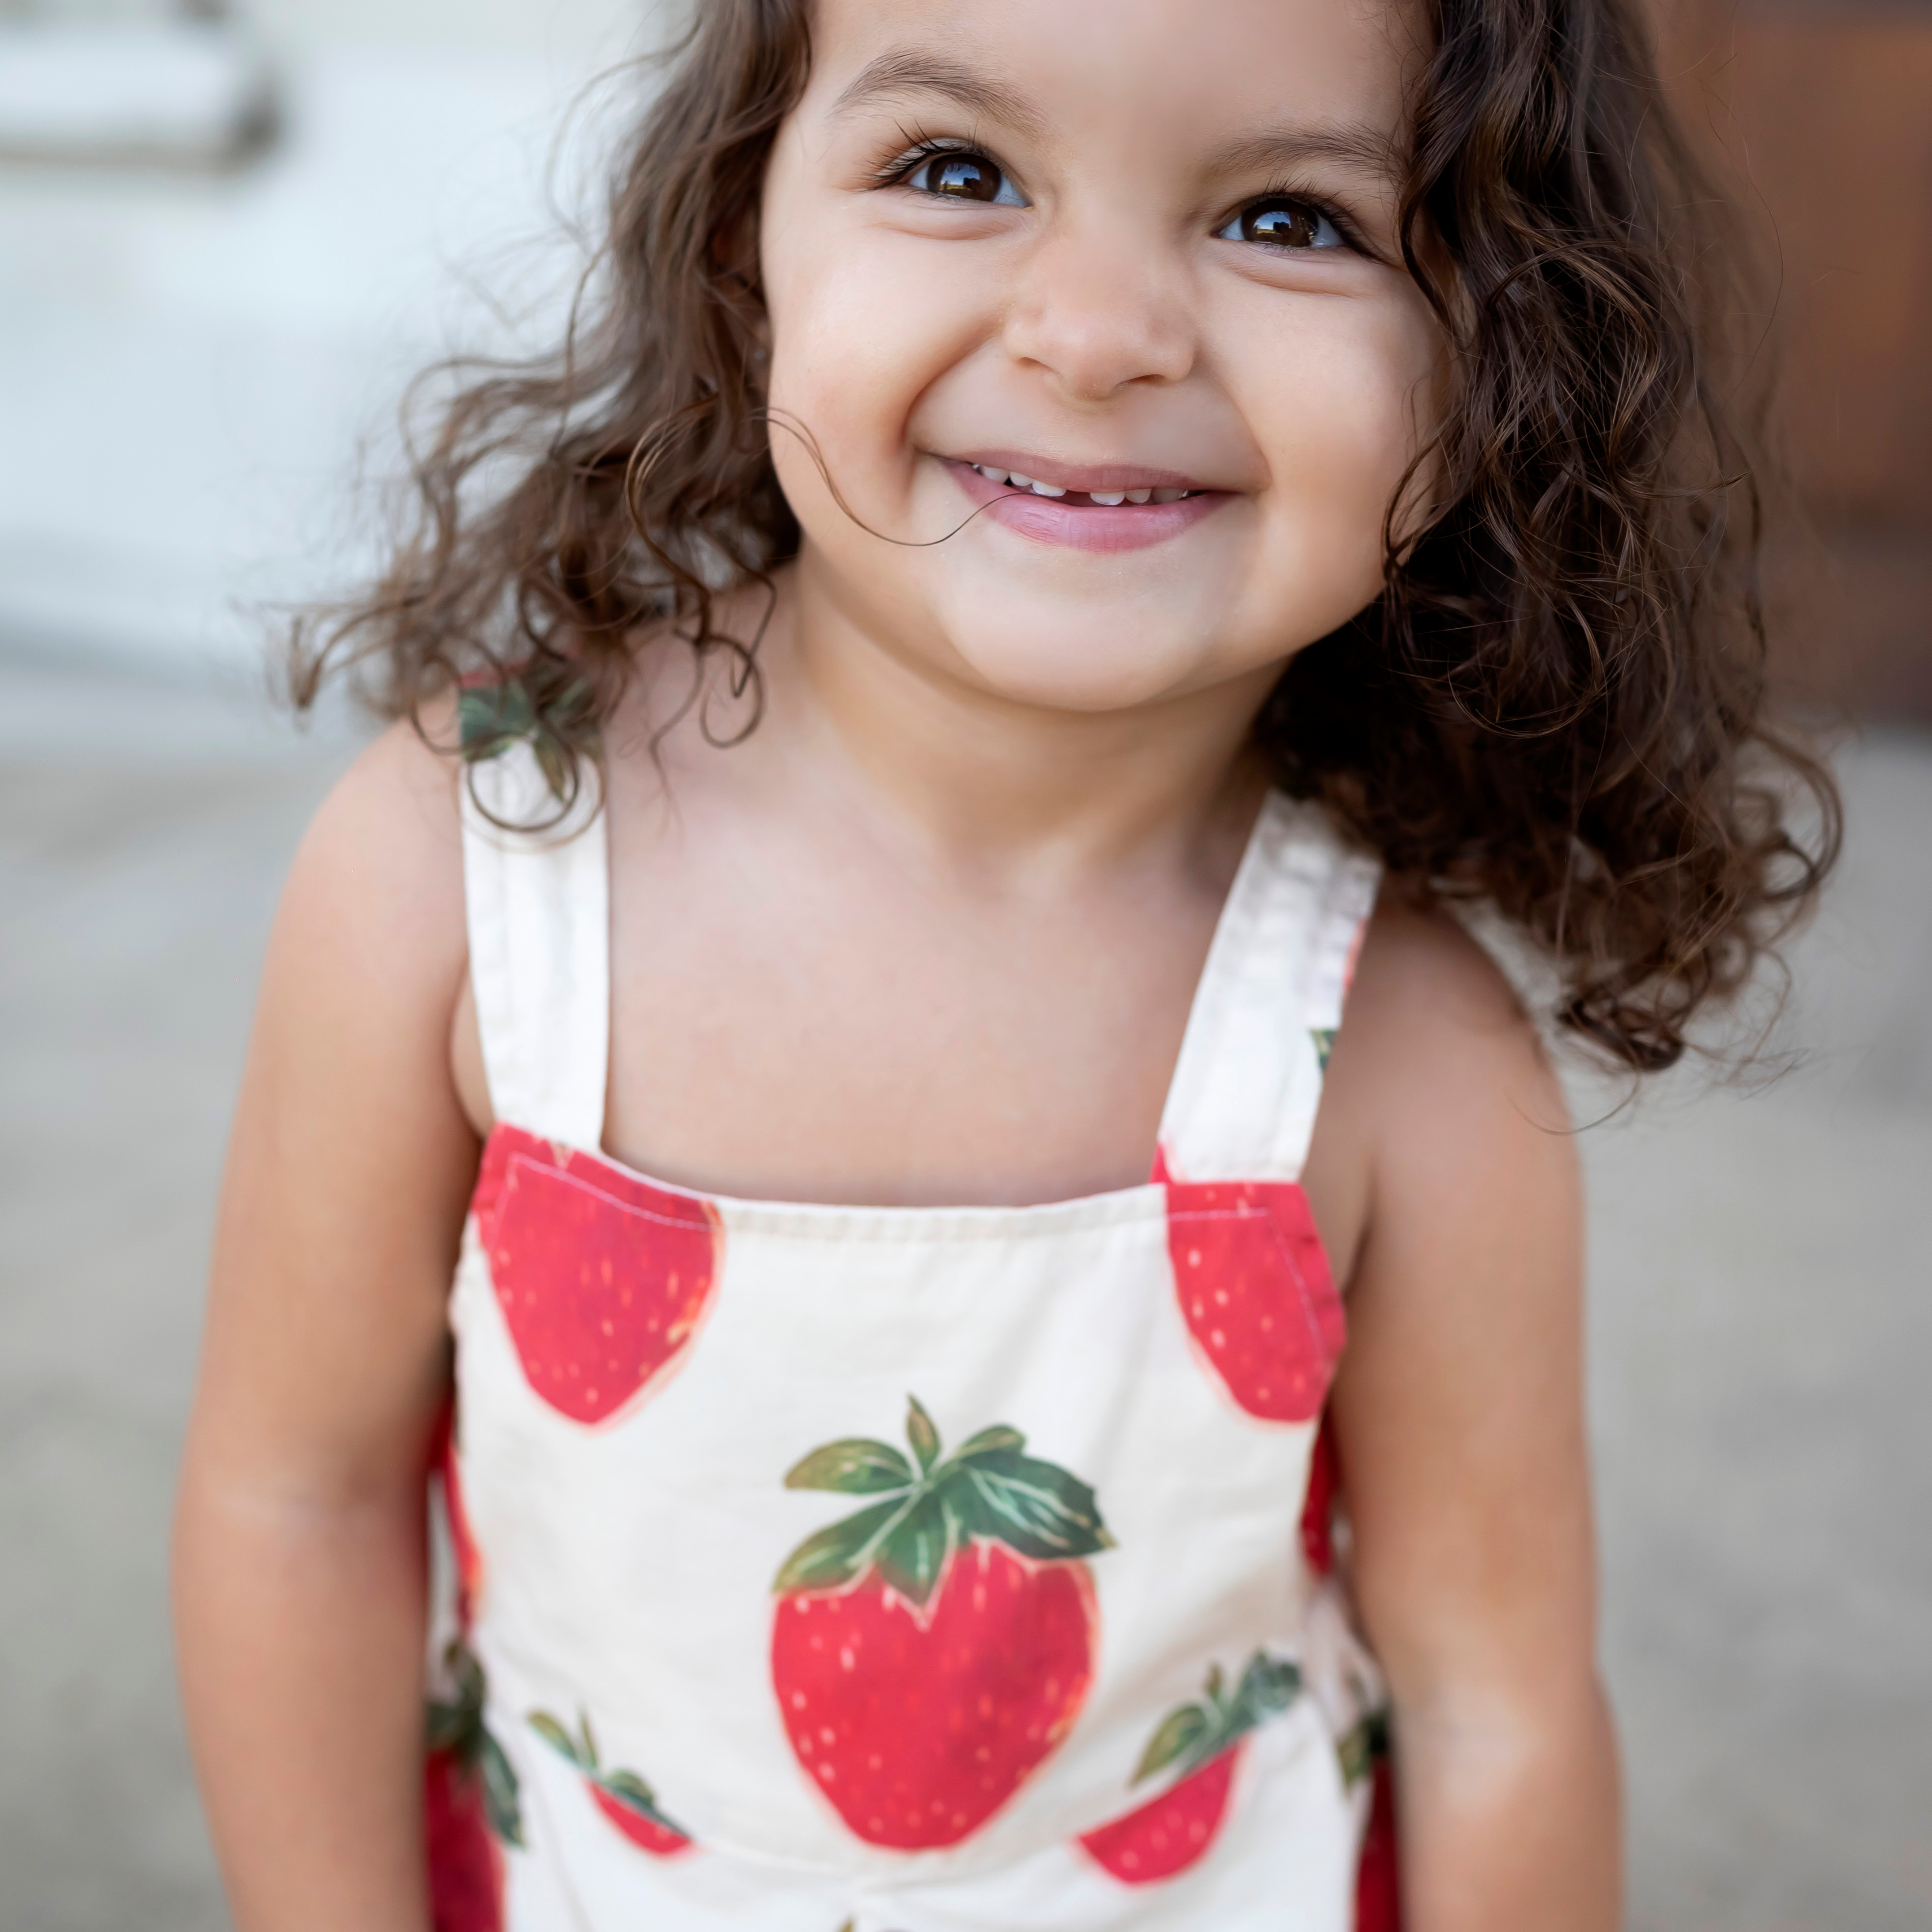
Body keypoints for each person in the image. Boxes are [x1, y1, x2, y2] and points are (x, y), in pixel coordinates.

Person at [170, 1, 1837, 1928]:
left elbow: (1497, 1708)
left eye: (1289, 218)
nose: (1098, 331)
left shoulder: (1406, 1060)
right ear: (742, 240)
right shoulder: (461, 879)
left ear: (1497, 359)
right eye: (956, 170)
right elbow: (295, 1503)